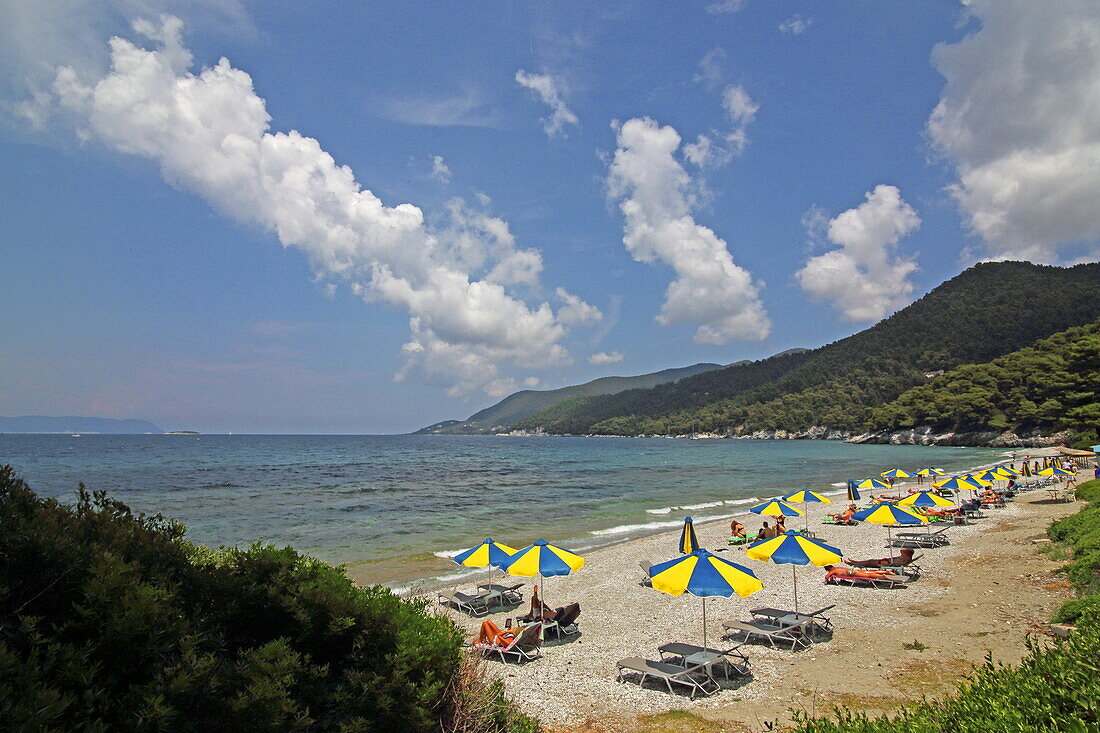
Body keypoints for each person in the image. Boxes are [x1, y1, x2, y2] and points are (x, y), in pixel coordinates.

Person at [846, 548, 915, 568]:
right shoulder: (906, 558)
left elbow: (901, 550)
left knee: (870, 562)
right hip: (887, 561)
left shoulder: (905, 559)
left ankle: (854, 563)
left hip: (887, 563)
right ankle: (855, 562)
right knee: (870, 561)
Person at [824, 564, 895, 582]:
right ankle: (886, 571)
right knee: (871, 572)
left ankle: (883, 576)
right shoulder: (837, 568)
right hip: (854, 569)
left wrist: (827, 580)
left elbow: (827, 577)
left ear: (828, 569)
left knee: (869, 575)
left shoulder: (832, 571)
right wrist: (832, 578)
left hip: (852, 573)